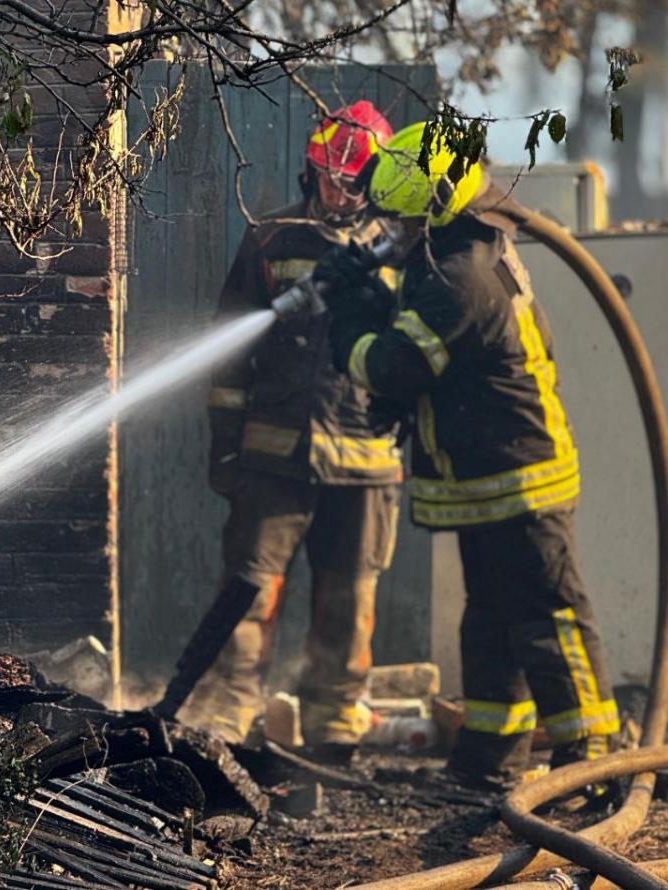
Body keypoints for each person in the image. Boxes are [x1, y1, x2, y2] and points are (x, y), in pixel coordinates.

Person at [315, 121, 620, 791]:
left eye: (398, 218)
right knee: (490, 618)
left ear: (434, 209)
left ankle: (594, 764)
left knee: (548, 619)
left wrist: (349, 318)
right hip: (486, 476)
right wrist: (369, 289)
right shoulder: (450, 251)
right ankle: (489, 757)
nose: (387, 231)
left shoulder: (462, 276)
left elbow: (393, 365)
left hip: (518, 475)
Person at [182, 101, 403, 760]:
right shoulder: (272, 238)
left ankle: (334, 726)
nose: (339, 192)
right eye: (328, 177)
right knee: (250, 588)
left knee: (348, 595)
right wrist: (227, 445)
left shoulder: (398, 247)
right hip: (275, 457)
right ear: (312, 169)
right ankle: (228, 714)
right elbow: (227, 350)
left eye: (352, 181)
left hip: (364, 461)